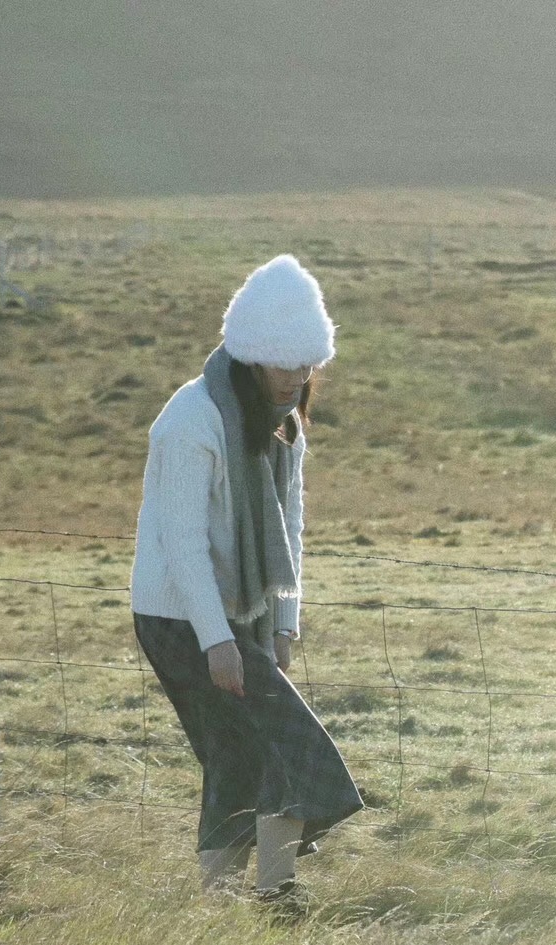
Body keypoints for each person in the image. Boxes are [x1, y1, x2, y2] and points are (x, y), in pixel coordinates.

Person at [130, 254, 363, 905]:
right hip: (179, 618)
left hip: (239, 618)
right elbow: (180, 546)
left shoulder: (283, 424)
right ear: (253, 356)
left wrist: (282, 621)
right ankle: (276, 897)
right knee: (296, 749)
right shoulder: (190, 422)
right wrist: (217, 641)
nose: (297, 378)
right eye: (284, 363)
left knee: (237, 761)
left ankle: (222, 908)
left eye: (307, 363)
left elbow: (290, 524)